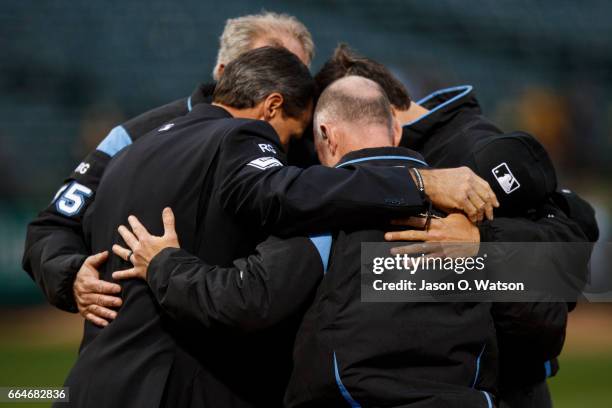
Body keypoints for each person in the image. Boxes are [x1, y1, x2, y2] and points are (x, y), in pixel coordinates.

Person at [56, 48, 498, 408]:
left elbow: (250, 299)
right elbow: (548, 291)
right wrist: (487, 249)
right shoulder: (472, 204)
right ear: (395, 131)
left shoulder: (323, 209)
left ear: (325, 135)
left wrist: (163, 266)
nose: (286, 151)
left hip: (104, 377)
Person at [23, 11, 496, 329]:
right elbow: (52, 227)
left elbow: (364, 263)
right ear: (230, 71)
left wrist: (478, 251)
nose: (290, 89)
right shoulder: (137, 139)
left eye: (299, 74)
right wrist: (71, 276)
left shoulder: (313, 151)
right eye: (274, 68)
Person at [313, 44, 597, 408]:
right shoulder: (405, 162)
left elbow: (575, 236)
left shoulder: (474, 148)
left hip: (510, 384)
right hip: (462, 380)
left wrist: (481, 242)